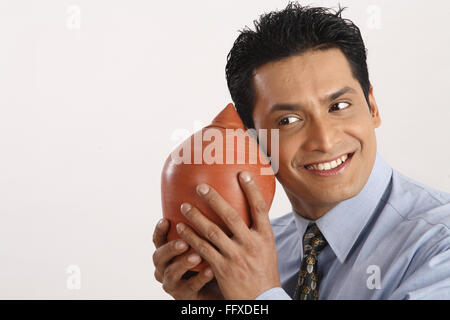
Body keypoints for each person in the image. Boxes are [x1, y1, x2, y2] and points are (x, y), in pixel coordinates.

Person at [152, 2, 450, 299]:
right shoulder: (246, 257)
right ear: (253, 139)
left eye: (339, 106)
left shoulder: (440, 245)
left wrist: (261, 297)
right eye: (288, 120)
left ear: (372, 107)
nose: (324, 140)